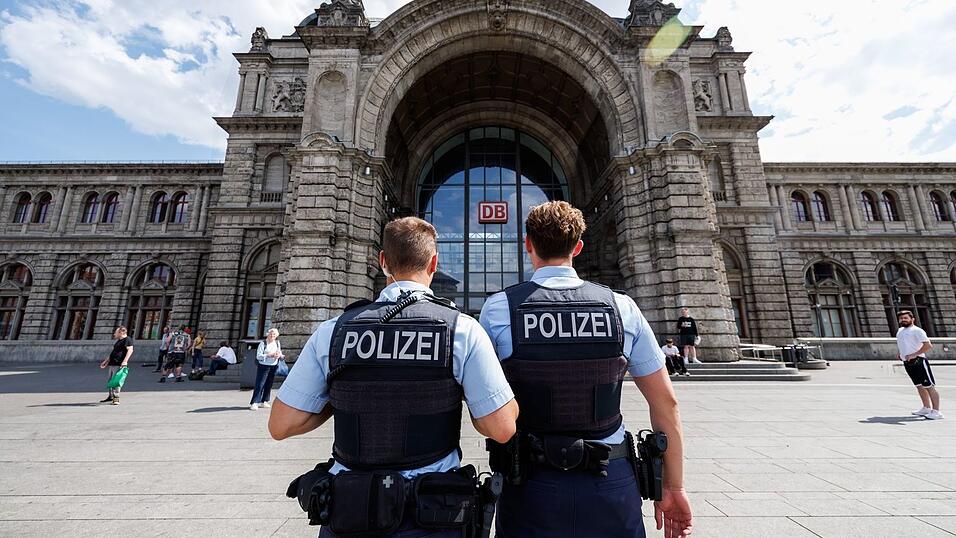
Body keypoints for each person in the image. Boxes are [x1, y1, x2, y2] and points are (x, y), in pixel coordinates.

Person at [269, 217, 518, 538]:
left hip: (349, 514)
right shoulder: (462, 329)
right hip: (432, 517)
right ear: (434, 263)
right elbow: (502, 428)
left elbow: (281, 425)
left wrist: (340, 393)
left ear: (383, 261)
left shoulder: (334, 331)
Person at [480, 201, 693, 538]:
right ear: (578, 247)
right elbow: (666, 403)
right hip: (611, 481)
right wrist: (674, 486)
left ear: (528, 245)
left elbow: (487, 406)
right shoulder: (621, 307)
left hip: (531, 484)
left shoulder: (499, 309)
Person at [897, 310, 943, 420]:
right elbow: (903, 343)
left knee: (929, 386)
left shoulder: (917, 330)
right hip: (907, 361)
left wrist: (914, 354)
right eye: (901, 318)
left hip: (919, 361)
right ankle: (926, 407)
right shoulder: (900, 331)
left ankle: (936, 411)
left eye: (906, 318)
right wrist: (900, 353)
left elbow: (928, 345)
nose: (903, 320)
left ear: (912, 319)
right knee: (919, 386)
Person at [250, 328, 283, 410]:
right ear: (267, 334)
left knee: (269, 384)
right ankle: (255, 402)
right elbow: (259, 356)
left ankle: (264, 401)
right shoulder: (263, 343)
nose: (272, 336)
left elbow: (280, 353)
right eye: (271, 334)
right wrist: (269, 355)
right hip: (264, 366)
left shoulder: (277, 343)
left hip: (274, 365)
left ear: (276, 336)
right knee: (260, 384)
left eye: (274, 334)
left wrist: (279, 355)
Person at [100, 326, 133, 405]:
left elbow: (130, 350)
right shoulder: (119, 341)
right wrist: (106, 361)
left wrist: (125, 361)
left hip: (119, 363)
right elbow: (114, 352)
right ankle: (111, 396)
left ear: (121, 332)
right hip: (112, 363)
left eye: (116, 332)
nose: (114, 334)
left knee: (116, 381)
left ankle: (116, 398)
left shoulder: (127, 340)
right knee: (110, 381)